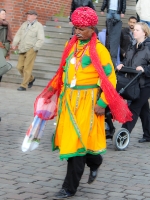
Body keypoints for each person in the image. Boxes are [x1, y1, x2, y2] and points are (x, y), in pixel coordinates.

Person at [33, 7, 132, 199]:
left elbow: (110, 78)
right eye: (76, 28)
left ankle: (69, 187)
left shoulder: (100, 51)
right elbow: (63, 72)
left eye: (82, 29)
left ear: (92, 28)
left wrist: (103, 103)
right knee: (74, 140)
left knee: (76, 143)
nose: (77, 32)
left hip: (87, 102)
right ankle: (95, 160)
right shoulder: (69, 46)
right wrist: (50, 92)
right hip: (68, 101)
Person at [117, 22, 150, 143]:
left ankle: (123, 135)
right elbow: (127, 60)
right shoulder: (132, 46)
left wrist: (145, 69)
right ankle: (148, 134)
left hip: (146, 84)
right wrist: (122, 65)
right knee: (144, 109)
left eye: (137, 30)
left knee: (134, 108)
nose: (133, 31)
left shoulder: (149, 46)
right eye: (133, 29)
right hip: (133, 83)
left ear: (144, 32)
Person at [12, 10, 44, 91]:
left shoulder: (38, 26)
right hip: (22, 48)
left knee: (27, 68)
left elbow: (41, 39)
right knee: (19, 67)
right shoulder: (24, 24)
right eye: (28, 14)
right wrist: (14, 43)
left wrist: (35, 48)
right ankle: (31, 79)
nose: (28, 16)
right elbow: (18, 34)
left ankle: (24, 85)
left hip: (31, 49)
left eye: (30, 14)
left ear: (35, 16)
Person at [0, 8, 13, 82]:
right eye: (2, 14)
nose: (4, 15)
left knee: (2, 67)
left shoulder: (6, 24)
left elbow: (8, 37)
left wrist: (7, 46)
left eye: (5, 14)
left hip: (4, 48)